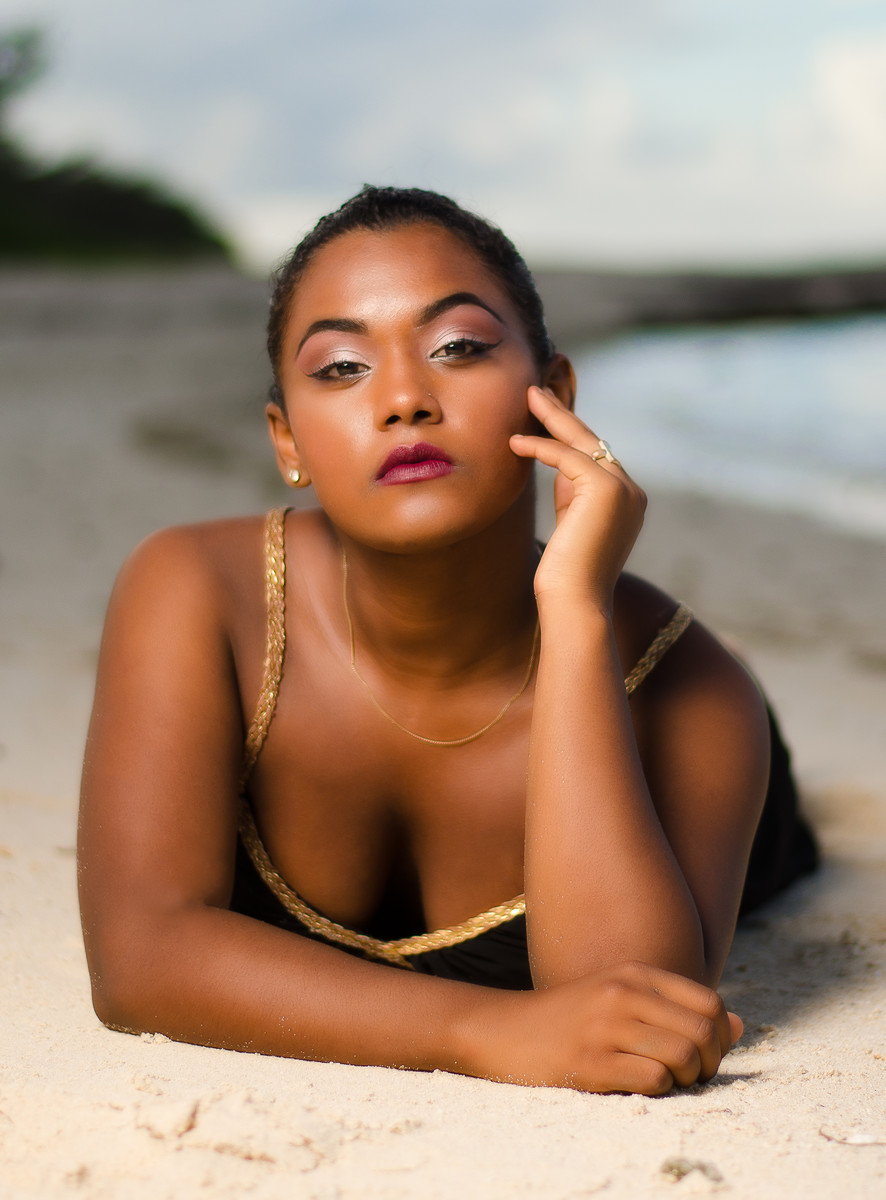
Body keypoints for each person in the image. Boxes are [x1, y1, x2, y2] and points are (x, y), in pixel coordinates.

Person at [78, 185, 816, 1096]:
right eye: (342, 367)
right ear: (287, 440)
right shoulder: (197, 591)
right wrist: (488, 1030)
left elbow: (637, 1014)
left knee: (726, 726)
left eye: (457, 349)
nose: (402, 399)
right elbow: (139, 958)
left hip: (703, 763)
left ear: (555, 396)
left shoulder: (693, 688)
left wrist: (579, 616)